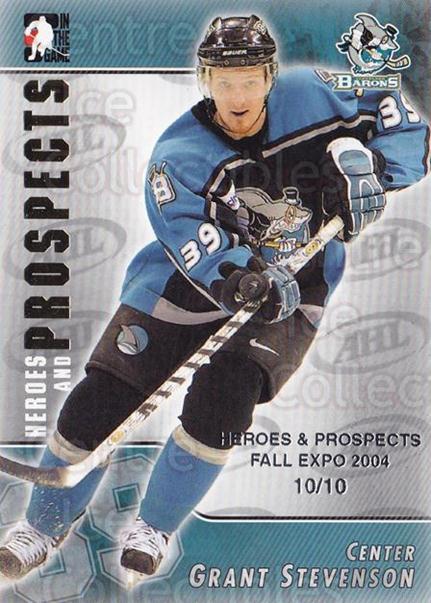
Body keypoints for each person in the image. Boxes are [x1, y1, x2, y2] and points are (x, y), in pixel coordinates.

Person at [0, 15, 429, 580]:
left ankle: (153, 527)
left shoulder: (317, 94)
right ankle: (41, 527)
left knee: (225, 401)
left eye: (249, 80)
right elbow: (190, 240)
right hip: (184, 280)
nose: (238, 97)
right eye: (224, 82)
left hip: (298, 284)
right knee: (104, 397)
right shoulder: (179, 155)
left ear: (270, 76)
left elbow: (403, 121)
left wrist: (376, 172)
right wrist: (242, 278)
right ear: (205, 81)